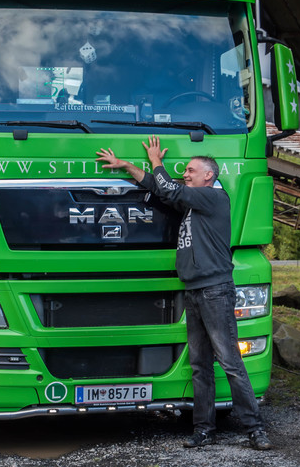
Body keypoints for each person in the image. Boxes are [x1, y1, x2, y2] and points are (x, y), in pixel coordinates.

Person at [95, 136, 273, 451]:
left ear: (209, 175)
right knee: (200, 364)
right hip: (193, 290)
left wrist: (156, 160)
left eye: (191, 170)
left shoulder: (214, 197)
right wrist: (126, 166)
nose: (186, 174)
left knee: (230, 361)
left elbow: (168, 187)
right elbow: (157, 187)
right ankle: (203, 429)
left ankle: (254, 429)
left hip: (215, 290)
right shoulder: (194, 205)